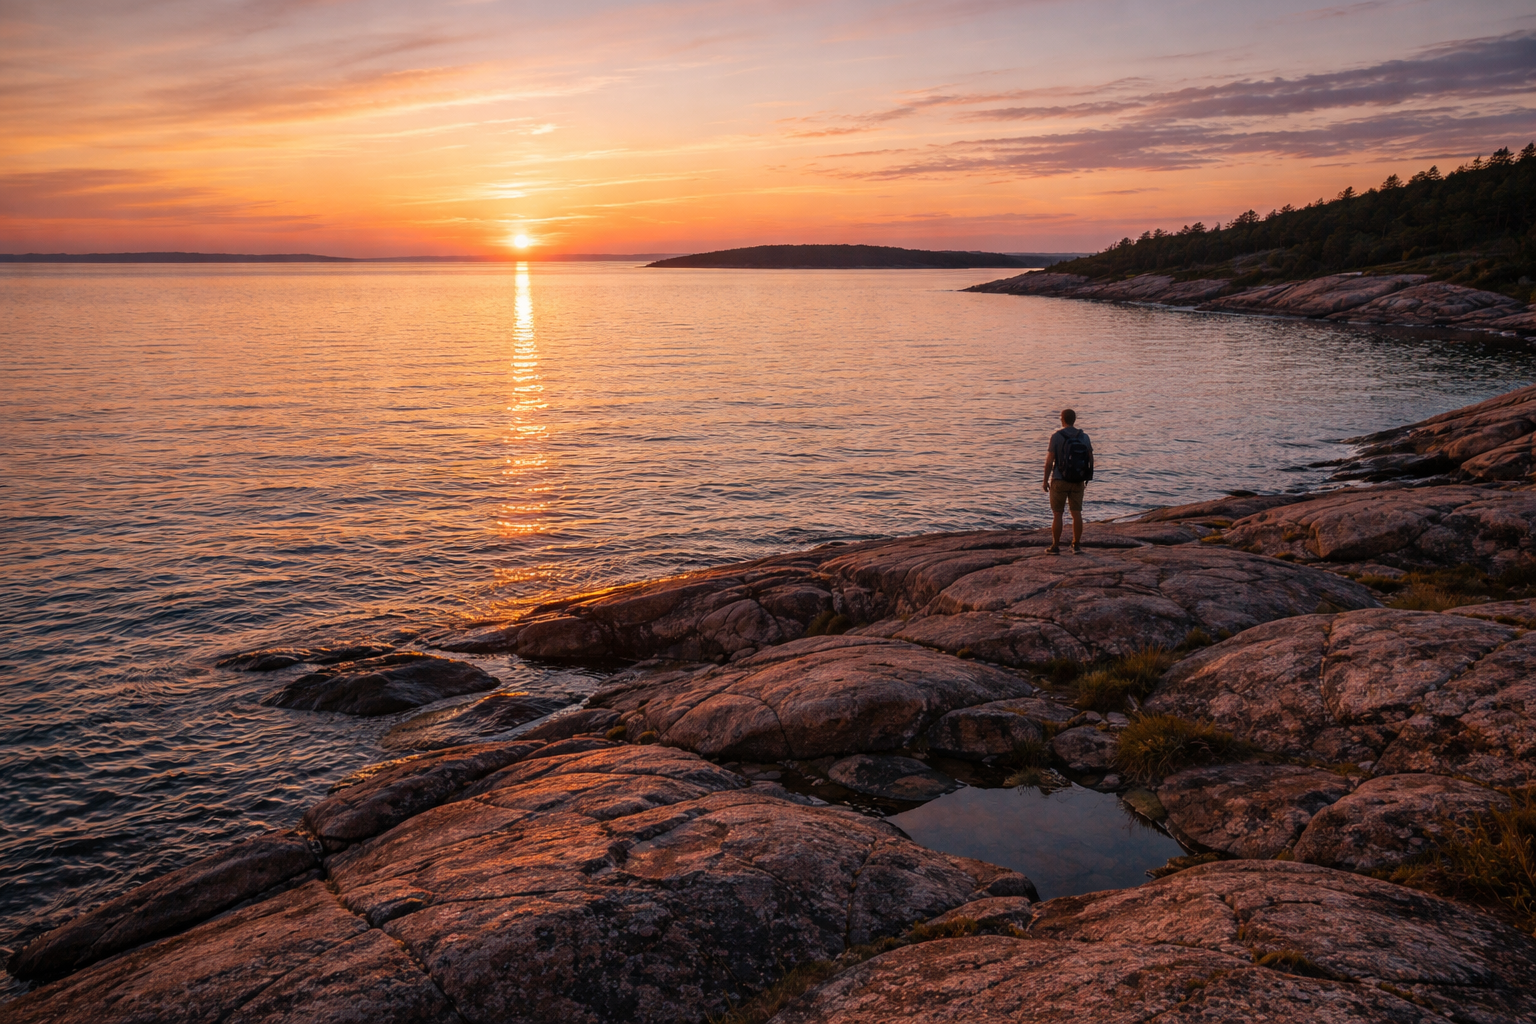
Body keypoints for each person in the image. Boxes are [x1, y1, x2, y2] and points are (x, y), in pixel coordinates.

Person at [1041, 408, 1093, 554]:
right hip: (1078, 480)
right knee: (1076, 513)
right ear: (1074, 419)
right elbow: (1090, 458)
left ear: (1062, 419)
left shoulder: (1056, 436)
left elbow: (1049, 461)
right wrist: (1087, 477)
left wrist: (1045, 481)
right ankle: (1076, 545)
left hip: (1059, 479)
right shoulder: (1084, 437)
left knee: (1057, 514)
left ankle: (1055, 546)